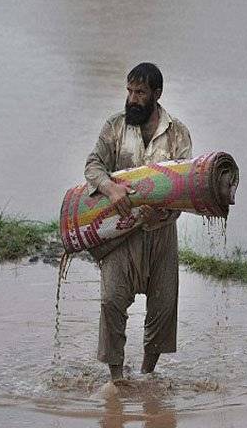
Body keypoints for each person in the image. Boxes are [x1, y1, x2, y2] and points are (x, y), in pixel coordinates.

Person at [84, 62, 192, 380]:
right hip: (121, 232)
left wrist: (168, 210)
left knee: (163, 308)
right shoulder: (115, 127)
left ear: (156, 94)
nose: (132, 98)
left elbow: (187, 184)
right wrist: (109, 187)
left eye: (140, 92)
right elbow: (93, 165)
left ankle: (146, 375)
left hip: (161, 234)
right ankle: (116, 379)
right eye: (129, 91)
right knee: (111, 301)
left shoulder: (178, 134)